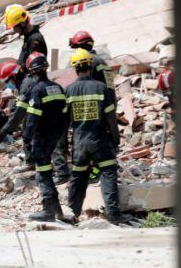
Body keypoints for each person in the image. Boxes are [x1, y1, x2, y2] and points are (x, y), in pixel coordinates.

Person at [66, 49, 124, 224]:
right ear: (91, 66)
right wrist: (116, 139)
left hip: (80, 143)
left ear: (75, 68)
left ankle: (72, 214)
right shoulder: (101, 88)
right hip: (99, 140)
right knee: (108, 172)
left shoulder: (68, 90)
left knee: (78, 177)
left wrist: (64, 148)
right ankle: (113, 216)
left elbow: (64, 123)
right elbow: (110, 117)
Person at [22, 53, 69, 222]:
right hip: (55, 137)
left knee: (42, 173)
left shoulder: (37, 90)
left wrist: (26, 137)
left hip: (41, 138)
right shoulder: (58, 88)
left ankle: (48, 212)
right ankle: (58, 211)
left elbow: (33, 117)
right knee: (47, 173)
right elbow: (65, 115)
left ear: (32, 71)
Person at [5, 4, 47, 70]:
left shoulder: (35, 40)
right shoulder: (28, 36)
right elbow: (23, 57)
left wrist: (17, 72)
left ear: (22, 24)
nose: (14, 30)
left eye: (15, 27)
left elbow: (33, 66)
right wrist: (15, 70)